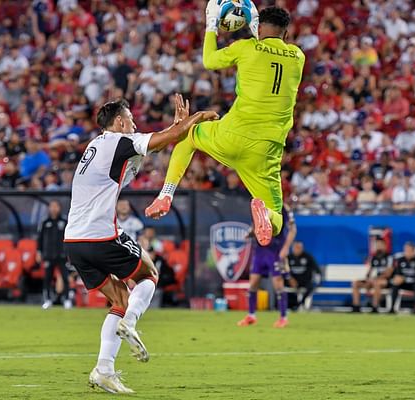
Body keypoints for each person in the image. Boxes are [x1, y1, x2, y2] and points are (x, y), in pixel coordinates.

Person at [65, 95, 217, 394]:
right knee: (148, 275)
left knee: (119, 300)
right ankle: (132, 323)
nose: (134, 124)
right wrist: (195, 118)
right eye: (131, 119)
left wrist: (177, 127)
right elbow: (164, 139)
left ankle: (103, 370)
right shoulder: (118, 142)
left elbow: (160, 142)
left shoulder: (96, 146)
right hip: (100, 235)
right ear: (120, 122)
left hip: (74, 240)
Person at [146, 4, 304, 250]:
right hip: (265, 152)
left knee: (187, 135)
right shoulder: (298, 56)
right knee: (278, 222)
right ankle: (264, 213)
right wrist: (258, 29)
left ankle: (166, 194)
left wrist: (211, 25)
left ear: (259, 28)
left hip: (230, 135)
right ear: (286, 34)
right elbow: (270, 50)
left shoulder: (245, 48)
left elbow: (209, 60)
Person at [237, 204, 297, 328]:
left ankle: (283, 317)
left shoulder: (284, 207)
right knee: (253, 283)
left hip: (275, 251)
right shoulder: (258, 205)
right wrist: (249, 233)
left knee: (278, 283)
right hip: (260, 250)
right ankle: (251, 315)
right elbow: (256, 226)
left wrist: (285, 248)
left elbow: (292, 229)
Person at [37, 200, 69, 309]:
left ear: (59, 208)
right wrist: (39, 252)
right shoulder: (45, 222)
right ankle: (47, 300)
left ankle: (67, 299)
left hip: (62, 255)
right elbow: (40, 239)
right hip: (48, 255)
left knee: (65, 278)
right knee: (47, 278)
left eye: (56, 206)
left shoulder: (65, 221)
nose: (54, 208)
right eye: (52, 206)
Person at [351, 237, 393, 313]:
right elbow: (369, 272)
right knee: (355, 283)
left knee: (377, 283)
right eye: (377, 244)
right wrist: (368, 279)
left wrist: (375, 279)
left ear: (384, 245)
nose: (378, 246)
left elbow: (388, 273)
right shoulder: (374, 257)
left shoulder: (389, 257)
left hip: (385, 281)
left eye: (380, 244)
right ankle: (356, 307)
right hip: (373, 280)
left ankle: (374, 307)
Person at [389, 242, 415, 314]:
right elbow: (397, 273)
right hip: (406, 283)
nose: (407, 252)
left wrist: (404, 278)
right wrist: (398, 278)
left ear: (413, 251)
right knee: (395, 285)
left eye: (409, 250)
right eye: (405, 250)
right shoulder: (400, 260)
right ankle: (392, 308)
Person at [286, 241, 321, 311]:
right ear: (292, 248)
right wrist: (290, 279)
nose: (298, 249)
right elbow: (284, 270)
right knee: (282, 285)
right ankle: (292, 305)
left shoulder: (308, 257)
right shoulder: (288, 258)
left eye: (300, 247)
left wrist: (318, 280)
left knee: (311, 286)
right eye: (296, 247)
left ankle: (301, 303)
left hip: (305, 282)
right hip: (292, 281)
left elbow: (317, 269)